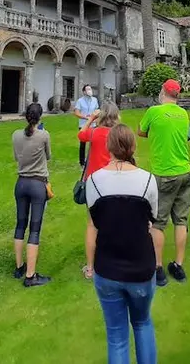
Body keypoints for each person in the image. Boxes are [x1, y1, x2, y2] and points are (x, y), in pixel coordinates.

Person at [87, 124, 159, 364]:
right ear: (132, 146)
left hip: (108, 266)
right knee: (142, 323)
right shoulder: (147, 180)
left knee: (117, 335)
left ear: (109, 147)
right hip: (139, 265)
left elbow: (95, 221)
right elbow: (153, 218)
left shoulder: (94, 181)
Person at [138, 79, 190, 287]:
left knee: (158, 222)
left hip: (164, 173)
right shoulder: (184, 114)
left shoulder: (154, 111)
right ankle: (178, 265)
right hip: (185, 171)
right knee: (181, 220)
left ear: (163, 92)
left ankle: (158, 268)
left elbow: (141, 131)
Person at [78, 102, 121, 279]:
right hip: (113, 181)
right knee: (114, 222)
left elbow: (81, 135)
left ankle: (90, 267)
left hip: (94, 182)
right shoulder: (117, 134)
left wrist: (90, 119)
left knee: (92, 224)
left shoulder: (95, 132)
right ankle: (113, 263)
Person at [12, 103, 52, 287]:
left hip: (21, 183)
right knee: (34, 228)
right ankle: (30, 275)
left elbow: (16, 156)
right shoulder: (43, 135)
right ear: (40, 117)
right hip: (37, 184)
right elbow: (48, 156)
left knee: (20, 224)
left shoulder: (16, 135)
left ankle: (19, 266)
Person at [74, 84, 100, 167]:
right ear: (84, 92)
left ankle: (93, 159)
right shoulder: (80, 101)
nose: (90, 91)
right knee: (83, 143)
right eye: (88, 89)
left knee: (94, 143)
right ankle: (82, 162)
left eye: (90, 89)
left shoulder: (94, 100)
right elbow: (76, 113)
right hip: (83, 125)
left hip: (93, 124)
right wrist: (86, 117)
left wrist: (95, 118)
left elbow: (97, 110)